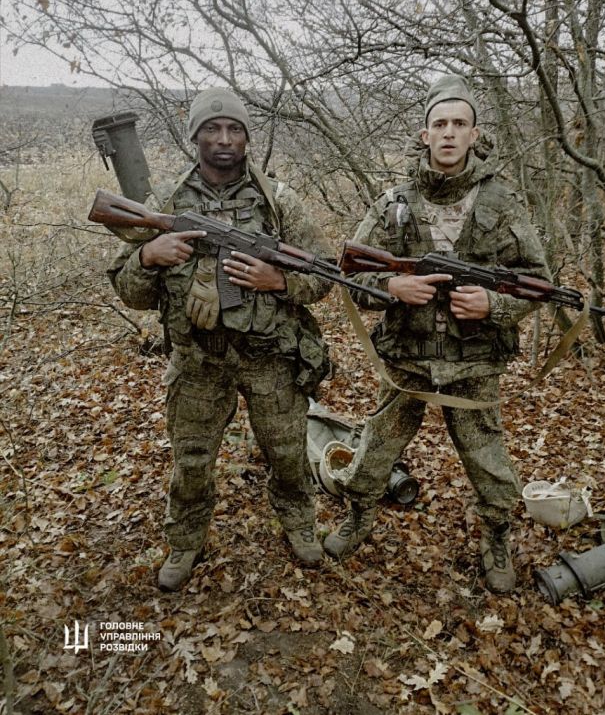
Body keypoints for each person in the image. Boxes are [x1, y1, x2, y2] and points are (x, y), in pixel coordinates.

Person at [324, 75, 550, 593]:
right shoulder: (393, 204)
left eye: (459, 124)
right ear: (424, 134)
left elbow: (539, 282)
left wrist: (495, 305)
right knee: (377, 446)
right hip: (406, 359)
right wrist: (392, 286)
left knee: (487, 459)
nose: (449, 133)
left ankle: (496, 535)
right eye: (439, 124)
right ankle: (358, 514)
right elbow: (347, 274)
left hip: (473, 363)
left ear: (475, 134)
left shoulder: (503, 202)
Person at [108, 88, 334, 591]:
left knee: (289, 454)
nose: (224, 139)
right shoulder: (164, 203)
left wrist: (280, 282)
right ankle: (185, 540)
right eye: (212, 129)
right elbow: (131, 292)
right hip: (197, 362)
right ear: (195, 137)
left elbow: (324, 274)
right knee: (190, 461)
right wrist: (149, 258)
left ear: (248, 138)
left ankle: (299, 524)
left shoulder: (279, 201)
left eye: (234, 129)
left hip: (269, 357)